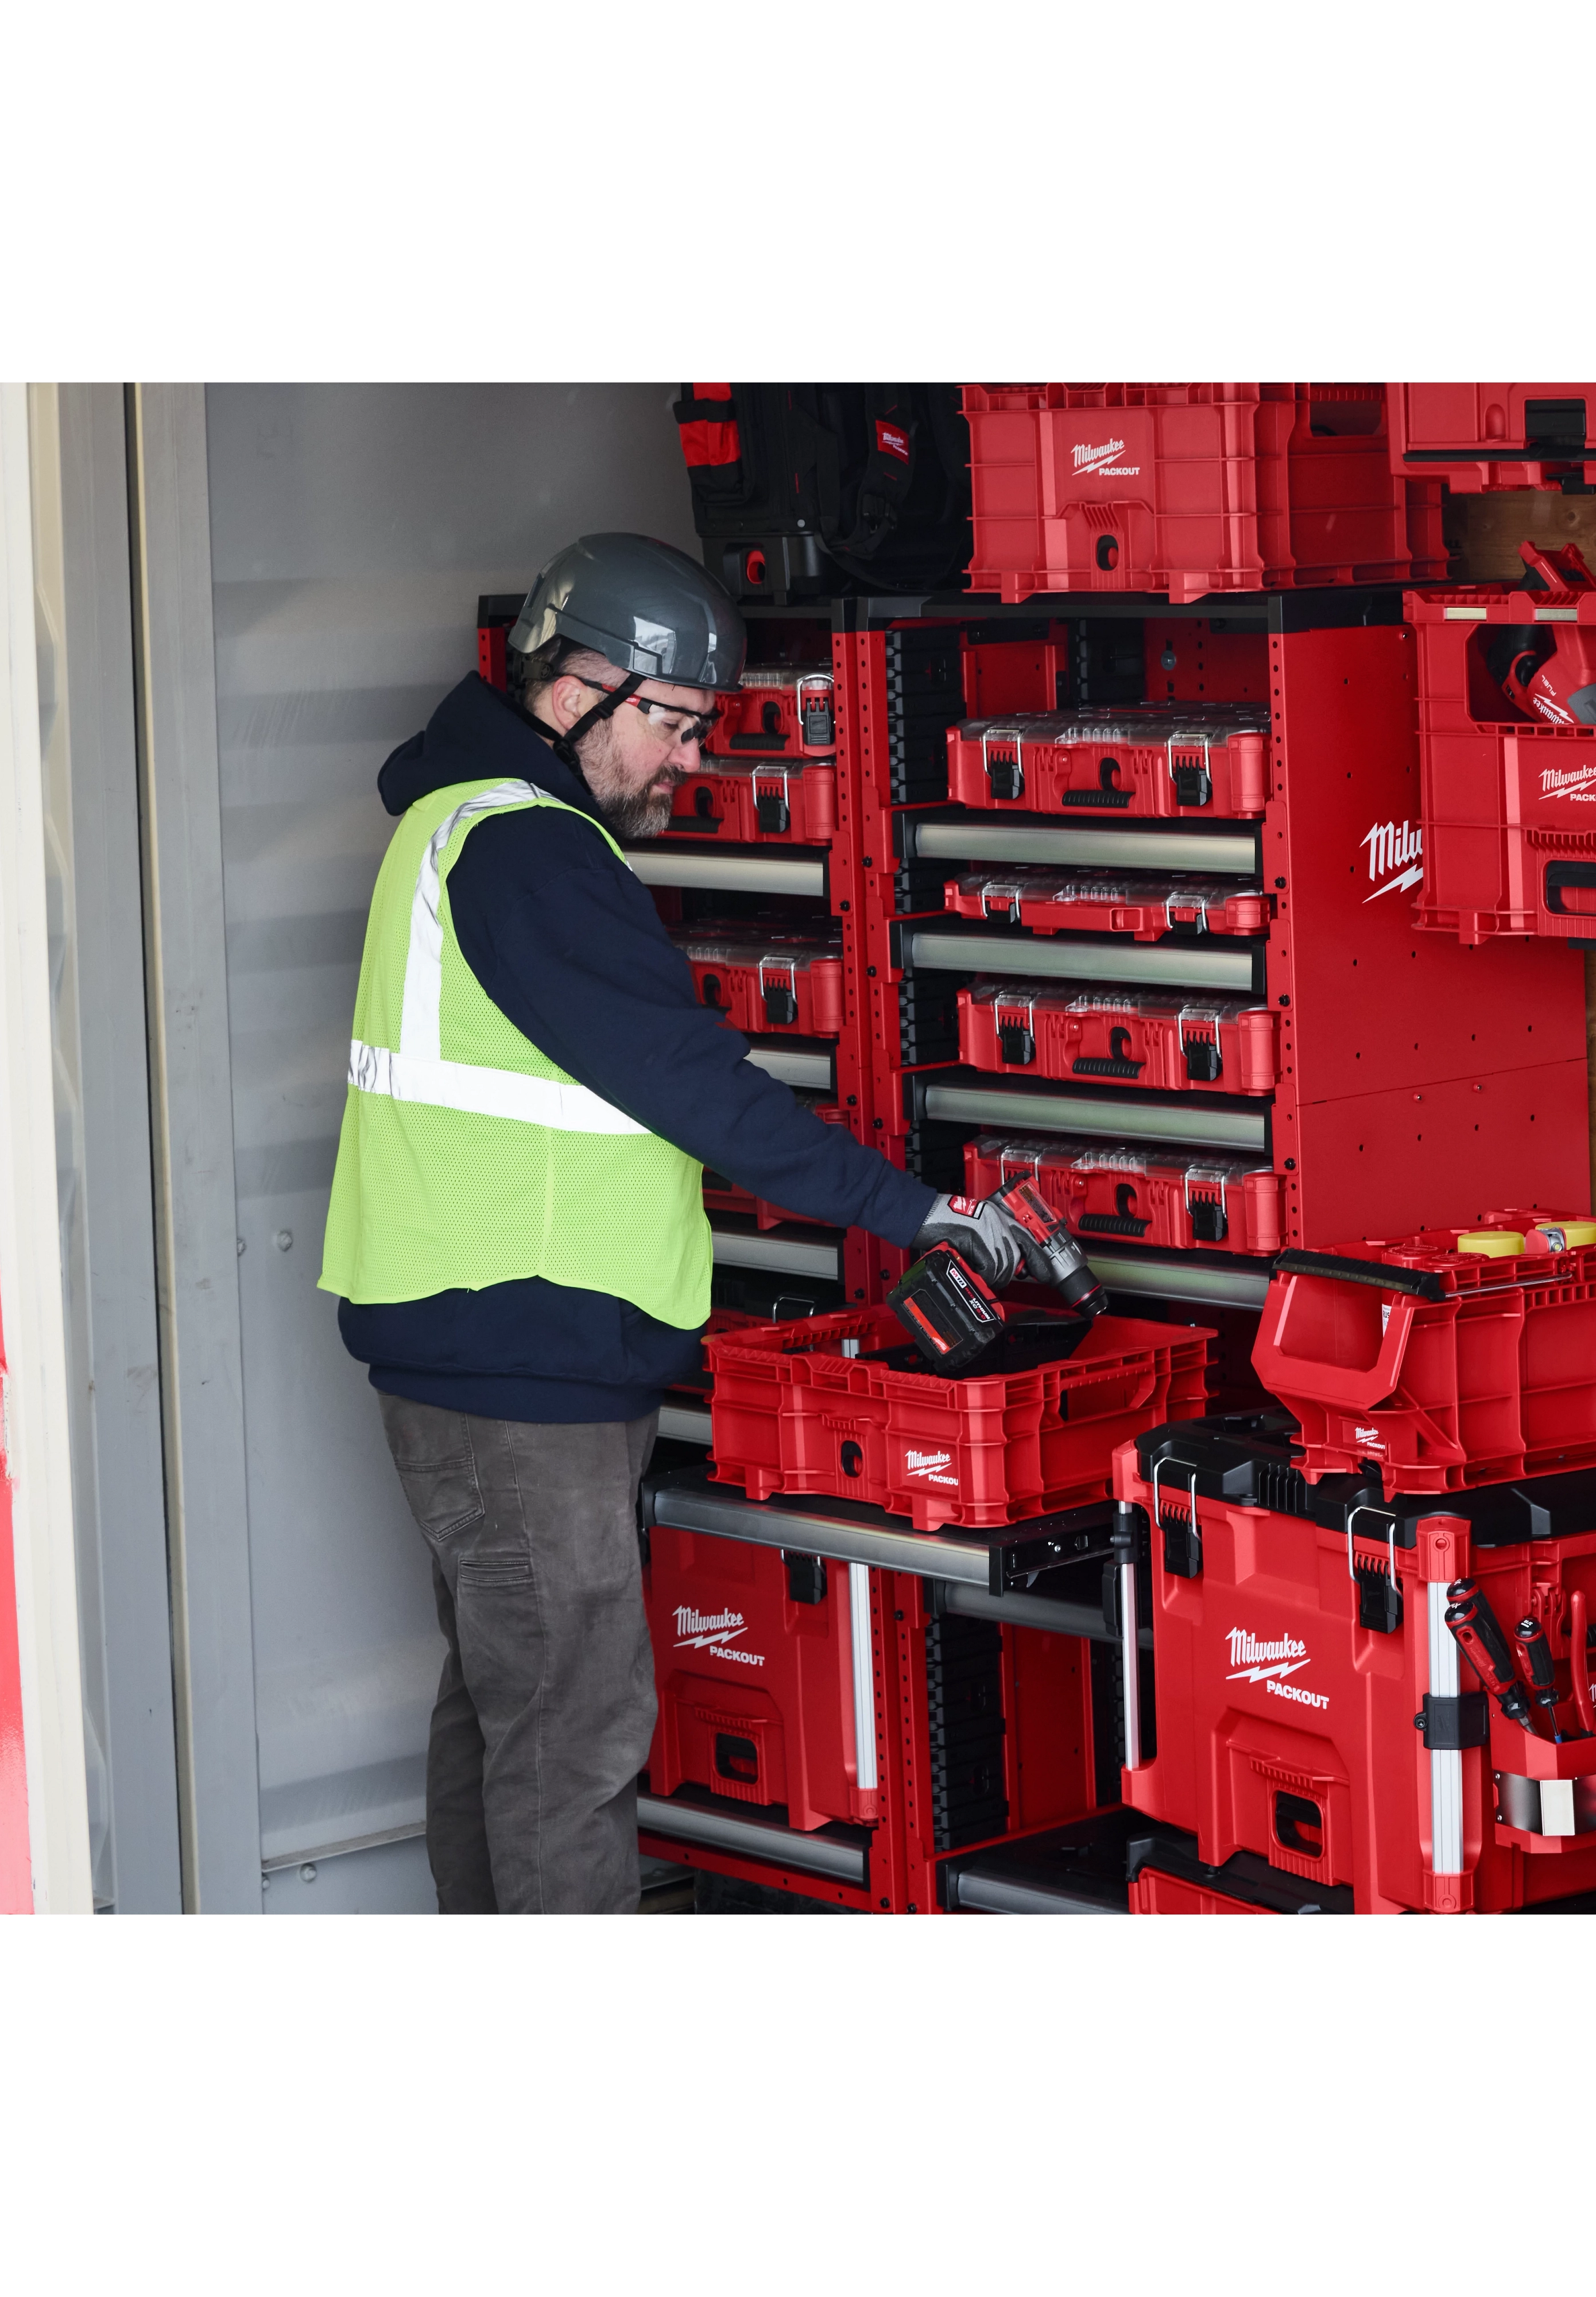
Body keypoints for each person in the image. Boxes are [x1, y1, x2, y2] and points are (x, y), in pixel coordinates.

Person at [318, 534, 1024, 1914]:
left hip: (485, 1347)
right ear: (581, 685)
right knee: (569, 1737)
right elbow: (692, 1086)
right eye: (674, 722)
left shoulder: (463, 821)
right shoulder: (528, 854)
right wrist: (922, 1211)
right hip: (517, 1359)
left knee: (505, 1714)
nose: (690, 761)